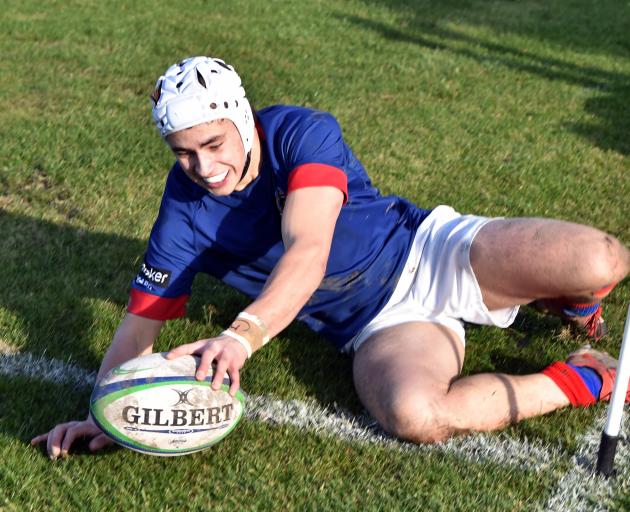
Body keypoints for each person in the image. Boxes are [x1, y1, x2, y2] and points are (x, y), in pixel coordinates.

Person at [32, 56, 630, 458]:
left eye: (212, 144)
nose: (203, 168)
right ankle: (585, 376)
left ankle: (570, 297)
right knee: (416, 417)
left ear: (242, 116)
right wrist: (107, 409)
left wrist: (242, 336)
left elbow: (309, 248)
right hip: (380, 326)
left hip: (430, 249)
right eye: (183, 153)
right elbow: (139, 324)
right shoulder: (183, 212)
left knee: (603, 260)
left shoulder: (300, 133)